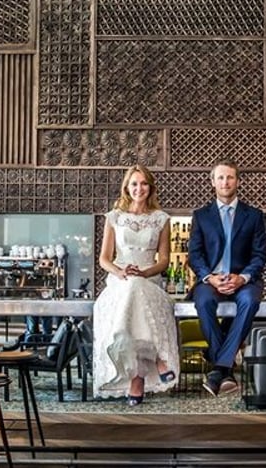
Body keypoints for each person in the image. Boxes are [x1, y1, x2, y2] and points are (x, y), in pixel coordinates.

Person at [92, 165, 180, 405]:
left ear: (150, 188)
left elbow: (164, 261)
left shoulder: (161, 219)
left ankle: (137, 381)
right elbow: (104, 259)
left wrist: (144, 273)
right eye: (134, 184)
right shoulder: (114, 217)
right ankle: (157, 360)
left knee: (137, 287)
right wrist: (121, 272)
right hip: (120, 280)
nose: (139, 188)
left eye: (143, 184)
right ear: (126, 188)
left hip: (149, 280)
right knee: (131, 289)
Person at [188, 160, 266, 396]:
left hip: (244, 281)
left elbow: (260, 255)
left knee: (250, 301)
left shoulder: (254, 215)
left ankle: (219, 368)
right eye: (220, 177)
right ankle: (225, 366)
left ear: (237, 181)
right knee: (203, 301)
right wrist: (209, 277)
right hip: (211, 281)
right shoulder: (201, 216)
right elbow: (195, 255)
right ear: (213, 182)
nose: (225, 182)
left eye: (230, 177)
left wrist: (242, 278)